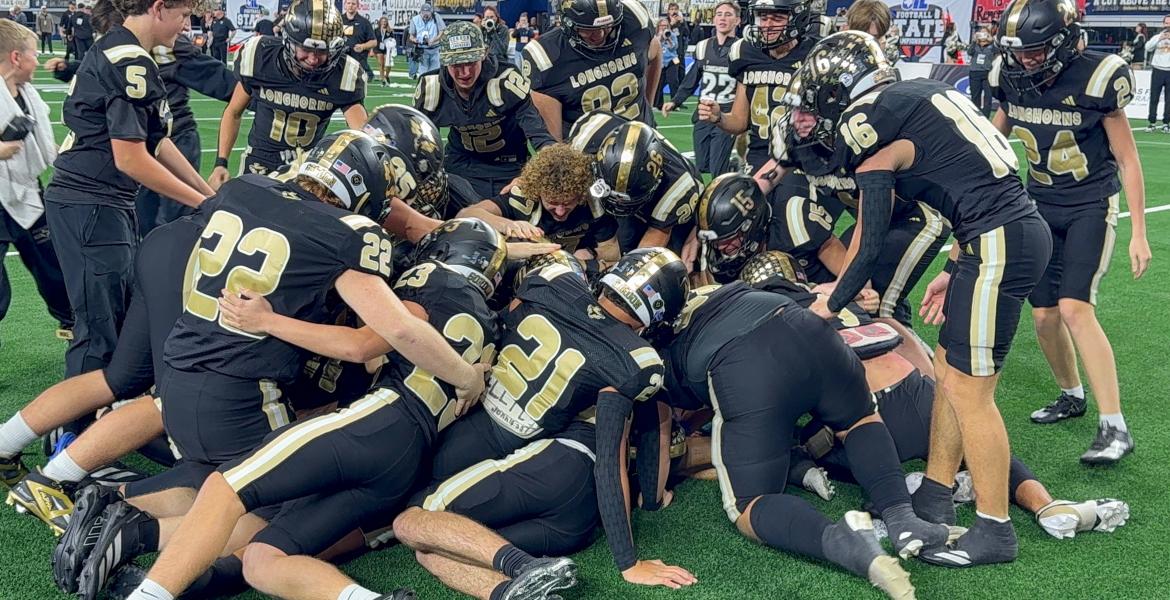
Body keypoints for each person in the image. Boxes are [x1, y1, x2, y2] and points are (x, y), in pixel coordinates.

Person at [101, 219, 504, 600]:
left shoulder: (433, 282)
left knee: (226, 487)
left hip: (374, 423)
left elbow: (365, 345)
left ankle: (145, 579)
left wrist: (268, 321)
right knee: (262, 559)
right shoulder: (489, 323)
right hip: (404, 463)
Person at [791, 30, 1052, 566]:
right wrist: (958, 259)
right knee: (950, 374)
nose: (810, 119)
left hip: (997, 240)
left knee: (972, 393)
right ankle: (935, 493)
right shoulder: (921, 93)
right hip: (999, 234)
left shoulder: (869, 122)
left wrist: (828, 305)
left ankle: (994, 530)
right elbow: (972, 173)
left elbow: (865, 246)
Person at [737, 251, 1131, 543]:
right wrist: (937, 392)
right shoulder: (834, 293)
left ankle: (903, 500)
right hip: (914, 387)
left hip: (864, 415)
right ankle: (1046, 504)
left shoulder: (764, 319)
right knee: (983, 445)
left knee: (798, 440)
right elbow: (898, 333)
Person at [655, 280, 951, 598]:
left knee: (746, 506)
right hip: (807, 328)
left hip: (746, 363)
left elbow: (664, 427)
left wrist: (655, 494)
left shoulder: (648, 347)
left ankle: (841, 540)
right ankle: (901, 516)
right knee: (860, 420)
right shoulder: (718, 288)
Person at [991, 0, 1149, 464]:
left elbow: (1128, 158)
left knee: (1075, 309)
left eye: (1036, 51)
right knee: (1043, 316)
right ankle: (1071, 394)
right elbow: (994, 141)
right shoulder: (1010, 77)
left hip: (1088, 205)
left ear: (1061, 42)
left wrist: (1139, 231)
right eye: (1020, 51)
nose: (1026, 60)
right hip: (1036, 203)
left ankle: (1115, 427)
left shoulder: (1096, 77)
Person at [43, 0, 213, 383]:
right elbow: (131, 159)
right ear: (158, 8)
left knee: (116, 315)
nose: (186, 25)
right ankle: (74, 429)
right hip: (91, 201)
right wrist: (201, 202)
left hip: (102, 200)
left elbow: (159, 142)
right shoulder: (130, 60)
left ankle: (94, 416)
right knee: (99, 328)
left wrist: (209, 196)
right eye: (183, 15)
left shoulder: (127, 51)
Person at [209, 0, 367, 185]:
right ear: (289, 41)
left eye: (322, 51)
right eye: (307, 49)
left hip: (308, 168)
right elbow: (234, 111)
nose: (313, 59)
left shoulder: (343, 76)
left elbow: (362, 136)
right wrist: (221, 162)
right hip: (260, 163)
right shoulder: (261, 56)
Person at [415, 21, 555, 200]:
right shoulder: (431, 88)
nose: (464, 72)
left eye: (471, 62)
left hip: (511, 168)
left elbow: (538, 134)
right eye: (456, 64)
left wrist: (546, 163)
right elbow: (416, 145)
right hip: (459, 169)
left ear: (484, 54)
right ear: (444, 61)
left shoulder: (506, 81)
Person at [0, 20, 72, 347]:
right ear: (16, 57)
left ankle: (72, 324)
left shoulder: (28, 93)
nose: (36, 60)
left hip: (28, 193)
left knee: (53, 265)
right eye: (32, 53)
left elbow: (43, 145)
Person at [459, 142, 619, 266]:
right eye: (552, 202)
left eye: (568, 202)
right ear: (537, 192)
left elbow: (612, 254)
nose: (560, 211)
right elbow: (466, 215)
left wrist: (589, 255)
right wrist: (507, 225)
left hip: (577, 274)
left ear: (581, 194)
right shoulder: (522, 198)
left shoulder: (593, 204)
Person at [521, 0, 661, 139]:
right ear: (568, 23)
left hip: (643, 141)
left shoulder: (634, 19)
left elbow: (655, 49)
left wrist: (648, 104)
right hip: (586, 156)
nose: (600, 35)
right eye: (589, 29)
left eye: (607, 26)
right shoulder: (547, 56)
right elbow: (554, 144)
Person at [663, 0, 739, 177]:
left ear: (737, 20)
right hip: (703, 113)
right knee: (702, 165)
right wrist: (675, 101)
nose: (722, 18)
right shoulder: (703, 46)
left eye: (728, 15)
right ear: (713, 19)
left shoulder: (741, 48)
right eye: (719, 14)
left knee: (716, 169)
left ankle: (719, 193)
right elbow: (692, 79)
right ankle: (733, 168)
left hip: (725, 116)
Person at [1145, 14, 1170, 131]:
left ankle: (1166, 123)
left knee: (1169, 99)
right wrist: (1160, 38)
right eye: (1166, 23)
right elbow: (1148, 47)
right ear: (1163, 24)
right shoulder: (1157, 36)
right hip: (1157, 70)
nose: (1168, 25)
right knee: (1154, 98)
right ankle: (1152, 122)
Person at [341, 0, 375, 79]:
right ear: (345, 5)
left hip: (358, 62)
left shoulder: (364, 22)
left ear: (357, 6)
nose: (350, 6)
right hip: (341, 62)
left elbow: (374, 42)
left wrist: (363, 46)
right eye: (348, 3)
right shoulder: (339, 20)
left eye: (353, 4)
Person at [408, 2, 444, 76]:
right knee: (423, 73)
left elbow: (442, 32)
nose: (425, 14)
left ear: (431, 12)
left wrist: (433, 40)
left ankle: (433, 87)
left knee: (435, 72)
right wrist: (416, 40)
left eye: (428, 12)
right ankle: (423, 86)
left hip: (435, 49)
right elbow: (411, 36)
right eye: (423, 12)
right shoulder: (415, 19)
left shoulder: (437, 17)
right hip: (422, 50)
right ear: (420, 12)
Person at [655, 18, 682, 111]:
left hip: (672, 60)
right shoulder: (655, 36)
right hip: (660, 62)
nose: (664, 27)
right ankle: (658, 104)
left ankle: (674, 103)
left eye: (666, 26)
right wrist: (660, 37)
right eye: (662, 26)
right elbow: (654, 46)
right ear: (658, 26)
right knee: (659, 83)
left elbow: (674, 47)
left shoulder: (672, 35)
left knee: (673, 81)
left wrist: (669, 39)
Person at [968, 27, 995, 115]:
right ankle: (976, 116)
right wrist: (973, 41)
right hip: (975, 73)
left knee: (988, 97)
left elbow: (998, 50)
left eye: (985, 34)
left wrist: (993, 41)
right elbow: (969, 52)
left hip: (987, 74)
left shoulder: (991, 46)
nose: (983, 36)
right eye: (981, 33)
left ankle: (986, 116)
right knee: (975, 97)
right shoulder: (975, 45)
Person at [374, 15, 393, 85]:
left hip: (386, 49)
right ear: (380, 22)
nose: (384, 23)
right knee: (381, 64)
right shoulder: (376, 30)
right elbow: (373, 39)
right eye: (382, 21)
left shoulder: (390, 31)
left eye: (385, 21)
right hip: (378, 48)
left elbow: (392, 40)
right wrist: (371, 50)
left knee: (388, 63)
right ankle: (382, 78)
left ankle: (387, 75)